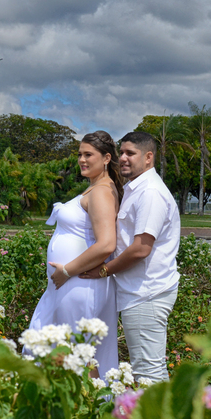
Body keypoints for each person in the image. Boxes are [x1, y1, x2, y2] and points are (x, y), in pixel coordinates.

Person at [80, 131, 180, 384]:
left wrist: (103, 270)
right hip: (137, 292)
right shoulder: (136, 189)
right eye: (121, 152)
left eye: (130, 153)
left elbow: (141, 248)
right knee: (146, 370)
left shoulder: (150, 193)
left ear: (148, 157)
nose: (123, 158)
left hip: (146, 293)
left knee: (148, 372)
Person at [29, 131, 123, 375]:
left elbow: (106, 244)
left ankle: (86, 408)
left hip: (77, 283)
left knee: (78, 356)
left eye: (88, 154)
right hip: (68, 284)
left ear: (106, 158)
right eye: (80, 154)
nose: (82, 159)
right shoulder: (96, 189)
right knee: (73, 352)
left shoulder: (101, 192)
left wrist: (67, 271)